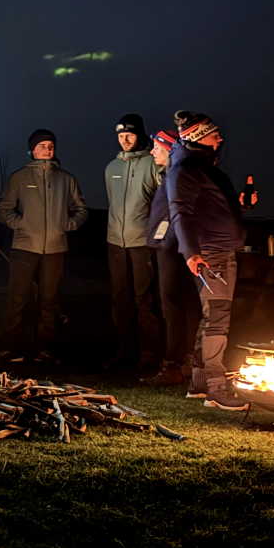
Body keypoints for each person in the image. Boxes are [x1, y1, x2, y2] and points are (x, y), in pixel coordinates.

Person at [167, 112, 246, 409]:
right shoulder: (186, 168)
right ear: (198, 137)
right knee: (218, 317)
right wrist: (192, 253)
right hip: (210, 253)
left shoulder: (200, 166)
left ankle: (199, 384)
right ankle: (216, 387)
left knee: (212, 315)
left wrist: (239, 207)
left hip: (217, 248)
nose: (220, 138)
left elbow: (207, 208)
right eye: (213, 134)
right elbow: (180, 212)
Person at [0, 129, 87, 363]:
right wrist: (20, 223)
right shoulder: (19, 178)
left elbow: (81, 209)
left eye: (51, 145)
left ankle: (45, 350)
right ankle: (10, 349)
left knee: (49, 300)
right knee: (17, 298)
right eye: (42, 145)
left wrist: (69, 223)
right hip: (24, 247)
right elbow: (2, 209)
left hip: (55, 248)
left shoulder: (66, 179)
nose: (47, 149)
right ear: (33, 150)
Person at [139, 129, 200, 388]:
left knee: (173, 305)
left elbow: (180, 213)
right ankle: (189, 361)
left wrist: (165, 241)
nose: (152, 152)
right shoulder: (174, 174)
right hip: (176, 247)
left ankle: (175, 364)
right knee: (185, 304)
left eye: (157, 147)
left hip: (174, 249)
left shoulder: (177, 175)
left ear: (170, 148)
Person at [104, 114, 162, 371]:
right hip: (116, 241)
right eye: (120, 135)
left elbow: (162, 202)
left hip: (142, 242)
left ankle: (149, 352)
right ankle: (126, 348)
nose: (125, 139)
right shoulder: (111, 168)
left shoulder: (153, 164)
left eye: (129, 134)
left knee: (144, 298)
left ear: (139, 135)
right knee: (120, 298)